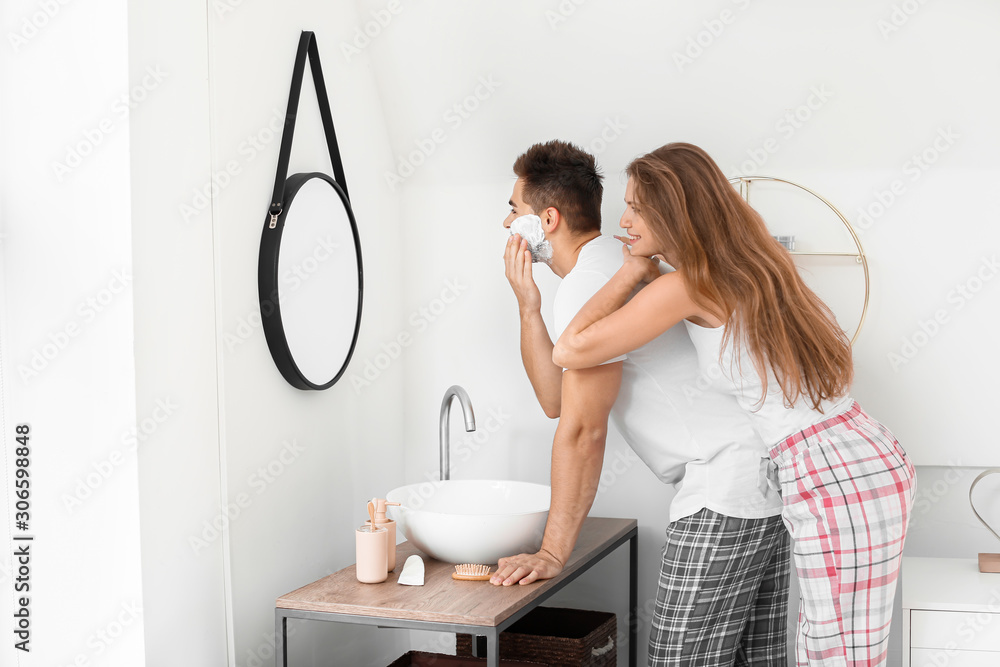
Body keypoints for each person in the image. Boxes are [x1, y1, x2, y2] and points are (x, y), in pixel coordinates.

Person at [553, 142, 916, 667]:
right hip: (860, 456)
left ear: (675, 211)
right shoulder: (754, 264)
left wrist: (632, 272)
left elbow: (570, 348)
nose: (624, 219)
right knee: (840, 650)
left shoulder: (691, 284)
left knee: (834, 654)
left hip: (829, 468)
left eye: (636, 206)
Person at [492, 140, 790, 665]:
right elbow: (555, 399)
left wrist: (553, 550)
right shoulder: (606, 264)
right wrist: (528, 308)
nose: (504, 222)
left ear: (547, 220)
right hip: (759, 482)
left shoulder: (589, 283)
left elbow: (583, 429)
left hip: (723, 492)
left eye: (513, 210)